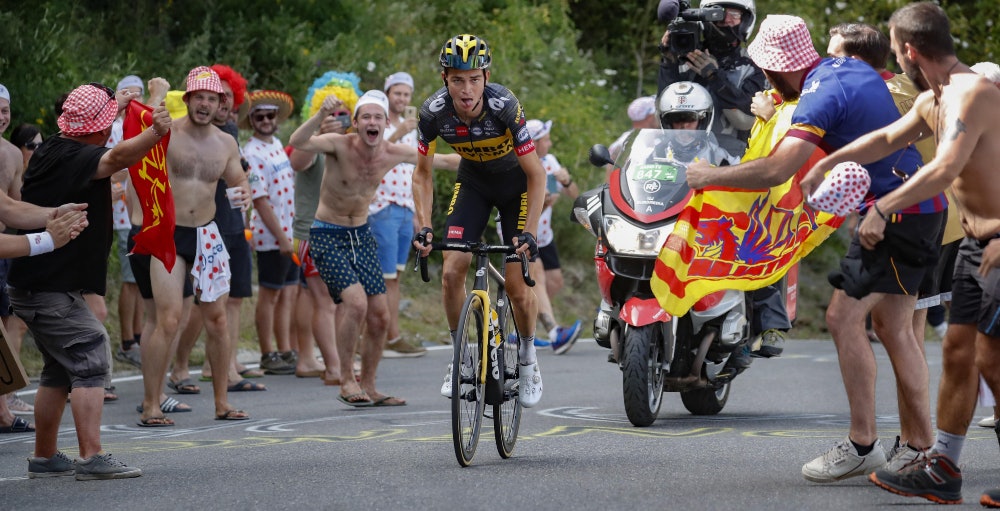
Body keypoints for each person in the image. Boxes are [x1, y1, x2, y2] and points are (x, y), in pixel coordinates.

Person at [686, 14, 945, 483]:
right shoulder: (844, 69)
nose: (764, 78)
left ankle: (871, 444)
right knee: (895, 328)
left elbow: (775, 169)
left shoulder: (820, 93)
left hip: (897, 215)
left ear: (782, 67)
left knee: (844, 318)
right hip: (917, 206)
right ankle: (918, 449)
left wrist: (708, 177)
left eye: (766, 69)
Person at [809, 1, 1000, 498]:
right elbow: (884, 139)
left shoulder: (973, 92)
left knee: (993, 359)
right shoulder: (933, 99)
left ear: (912, 52)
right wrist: (823, 164)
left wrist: (882, 207)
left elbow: (945, 167)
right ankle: (943, 468)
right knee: (959, 353)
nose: (895, 63)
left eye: (896, 53)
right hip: (975, 245)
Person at [8, 81, 158, 478]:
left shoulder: (57, 147)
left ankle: (45, 456)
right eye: (108, 121)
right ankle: (92, 456)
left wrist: (121, 104)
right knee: (91, 353)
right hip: (47, 286)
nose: (111, 129)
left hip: (40, 283)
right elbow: (119, 157)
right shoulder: (76, 155)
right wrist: (156, 130)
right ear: (97, 128)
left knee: (59, 370)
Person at [291, 89, 458, 407]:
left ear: (384, 124)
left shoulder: (392, 152)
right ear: (355, 123)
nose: (371, 122)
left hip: (361, 234)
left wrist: (501, 159)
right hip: (327, 233)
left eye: (377, 117)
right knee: (355, 304)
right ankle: (345, 379)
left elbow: (446, 161)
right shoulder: (340, 145)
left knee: (380, 315)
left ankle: (369, 385)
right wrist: (318, 117)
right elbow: (299, 142)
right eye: (365, 116)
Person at [411, 34, 547, 408]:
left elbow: (537, 175)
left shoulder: (505, 107)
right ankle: (460, 360)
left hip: (516, 186)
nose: (466, 89)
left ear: (486, 77)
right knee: (452, 270)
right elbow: (421, 174)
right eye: (457, 79)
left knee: (519, 287)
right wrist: (423, 225)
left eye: (474, 78)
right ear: (445, 79)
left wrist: (530, 233)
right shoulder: (433, 113)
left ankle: (528, 359)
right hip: (473, 183)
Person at [135, 66, 252, 426]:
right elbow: (136, 141)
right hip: (169, 233)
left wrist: (244, 192)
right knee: (169, 319)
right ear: (187, 99)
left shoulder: (226, 142)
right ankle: (151, 404)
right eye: (198, 97)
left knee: (216, 320)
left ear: (221, 104)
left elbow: (238, 181)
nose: (205, 103)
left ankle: (222, 403)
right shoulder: (167, 131)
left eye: (212, 98)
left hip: (207, 234)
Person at [170, 63, 263, 391]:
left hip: (231, 225)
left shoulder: (231, 134)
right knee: (193, 304)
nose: (218, 103)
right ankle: (180, 367)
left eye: (223, 97)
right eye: (210, 96)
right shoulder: (183, 132)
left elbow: (242, 179)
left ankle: (225, 367)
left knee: (230, 301)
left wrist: (246, 195)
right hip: (199, 225)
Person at [289, 79, 358, 384]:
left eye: (343, 114)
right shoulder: (312, 143)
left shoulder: (350, 147)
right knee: (325, 302)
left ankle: (338, 362)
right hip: (312, 233)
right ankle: (333, 368)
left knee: (344, 302)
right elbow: (296, 159)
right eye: (331, 114)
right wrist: (318, 126)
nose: (337, 119)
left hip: (345, 233)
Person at [242, 90, 300, 376]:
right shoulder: (250, 152)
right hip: (271, 235)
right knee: (270, 294)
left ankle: (285, 349)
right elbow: (260, 200)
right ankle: (267, 352)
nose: (265, 120)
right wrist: (281, 238)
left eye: (270, 115)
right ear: (251, 120)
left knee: (288, 294)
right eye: (259, 116)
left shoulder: (277, 143)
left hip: (289, 231)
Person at [658, 0, 765, 154]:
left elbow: (747, 115)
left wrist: (714, 77)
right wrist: (669, 61)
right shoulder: (685, 56)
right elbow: (662, 108)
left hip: (731, 158)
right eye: (718, 12)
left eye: (734, 14)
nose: (726, 19)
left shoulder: (753, 65)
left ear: (746, 20)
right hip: (680, 153)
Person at [374, 71, 427, 358]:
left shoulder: (414, 130)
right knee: (383, 275)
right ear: (387, 94)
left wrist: (420, 214)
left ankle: (391, 334)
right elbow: (375, 153)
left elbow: (416, 171)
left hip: (406, 207)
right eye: (397, 93)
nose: (402, 98)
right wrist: (398, 132)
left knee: (395, 276)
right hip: (382, 206)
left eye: (406, 94)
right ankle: (379, 333)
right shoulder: (377, 122)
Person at [524, 118, 582, 354]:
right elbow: (527, 211)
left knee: (555, 281)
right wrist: (545, 203)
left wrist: (566, 181)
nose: (549, 143)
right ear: (535, 143)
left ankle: (522, 326)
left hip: (545, 235)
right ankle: (554, 332)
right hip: (524, 231)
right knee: (536, 275)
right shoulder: (524, 164)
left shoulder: (549, 161)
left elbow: (574, 195)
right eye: (545, 139)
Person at [107, 75, 146, 370]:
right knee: (131, 281)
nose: (134, 101)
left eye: (139, 95)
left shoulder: (142, 124)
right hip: (121, 215)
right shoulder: (115, 128)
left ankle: (138, 336)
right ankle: (127, 341)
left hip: (142, 211)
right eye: (128, 95)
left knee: (140, 281)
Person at [2, 121, 40, 415]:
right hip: (11, 247)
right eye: (32, 146)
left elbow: (14, 208)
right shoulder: (12, 156)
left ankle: (5, 402)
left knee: (11, 322)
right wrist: (48, 237)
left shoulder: (13, 157)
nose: (36, 151)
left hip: (11, 249)